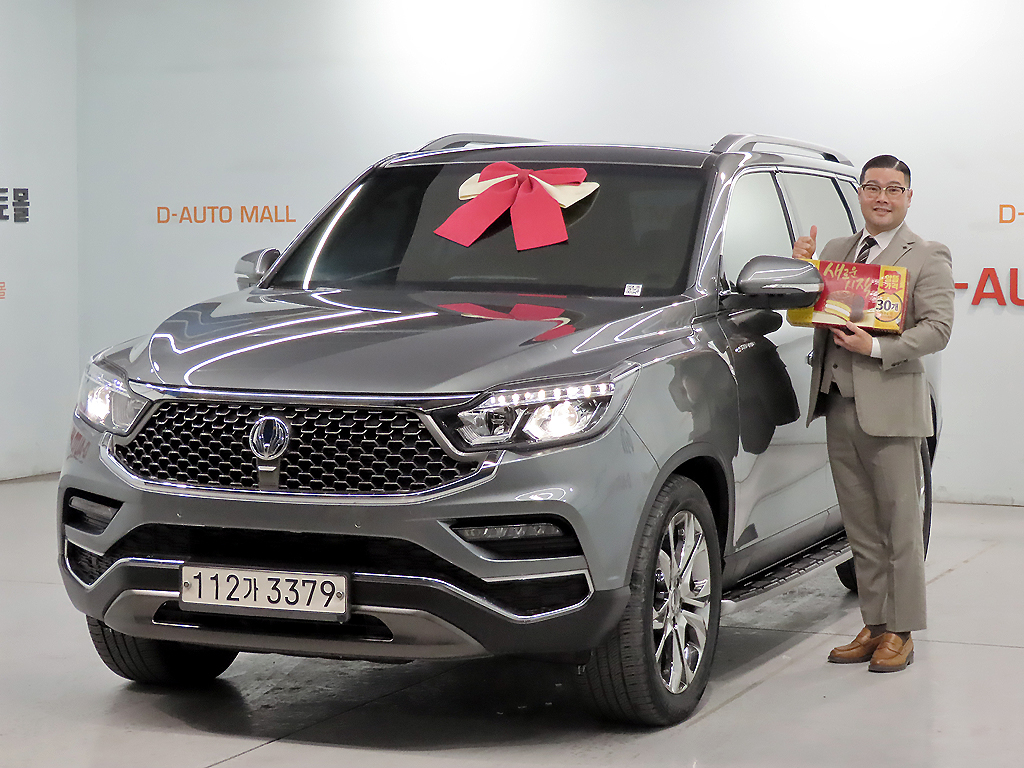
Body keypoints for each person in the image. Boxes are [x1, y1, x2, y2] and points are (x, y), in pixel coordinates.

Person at [793, 155, 954, 672]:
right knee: (860, 526)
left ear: (908, 197)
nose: (882, 197)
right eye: (872, 187)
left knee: (899, 525)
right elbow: (803, 314)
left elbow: (938, 329)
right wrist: (799, 270)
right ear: (860, 193)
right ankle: (876, 622)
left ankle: (901, 631)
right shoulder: (836, 251)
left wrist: (877, 348)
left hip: (891, 406)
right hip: (838, 402)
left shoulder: (926, 254)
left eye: (893, 189)